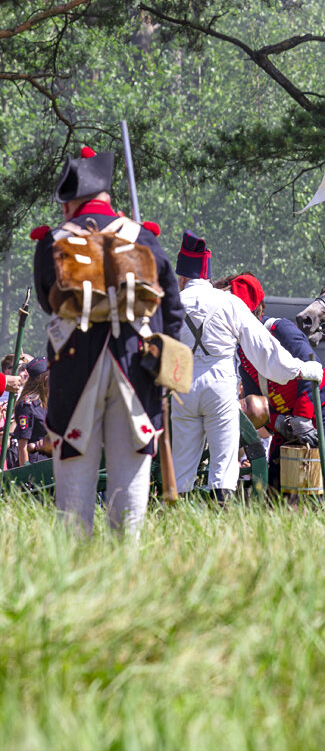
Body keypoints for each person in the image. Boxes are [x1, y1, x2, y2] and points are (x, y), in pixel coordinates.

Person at [31, 145, 185, 538]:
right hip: (136, 371)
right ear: (107, 199)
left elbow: (47, 294)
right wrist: (160, 362)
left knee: (73, 491)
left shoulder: (52, 241)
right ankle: (126, 571)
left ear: (69, 205)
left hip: (73, 374)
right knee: (129, 487)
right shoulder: (143, 238)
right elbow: (173, 312)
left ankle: (72, 572)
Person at [172, 232, 324, 501]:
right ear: (206, 274)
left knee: (181, 462)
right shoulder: (229, 302)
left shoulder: (170, 305)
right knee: (224, 462)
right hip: (219, 387)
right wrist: (298, 369)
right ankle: (221, 516)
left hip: (182, 386)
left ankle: (177, 518)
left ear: (182, 276)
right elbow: (263, 347)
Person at [225, 272, 325, 494]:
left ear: (259, 310)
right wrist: (277, 422)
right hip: (285, 419)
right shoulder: (242, 350)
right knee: (276, 485)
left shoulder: (281, 330)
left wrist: (303, 417)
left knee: (316, 482)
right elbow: (256, 399)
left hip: (319, 410)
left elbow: (311, 369)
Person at [12, 357, 51, 467]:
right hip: (36, 464)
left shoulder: (47, 402)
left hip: (50, 459)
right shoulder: (27, 405)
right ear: (46, 379)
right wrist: (26, 473)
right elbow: (22, 445)